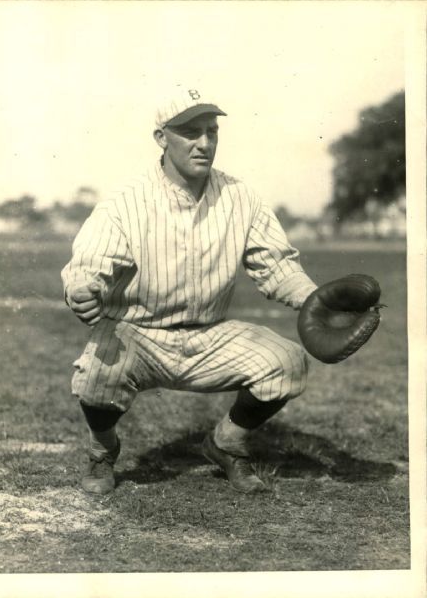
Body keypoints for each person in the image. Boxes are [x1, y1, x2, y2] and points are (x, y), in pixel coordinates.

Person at [61, 86, 318, 495]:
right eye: (190, 132)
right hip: (138, 333)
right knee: (96, 370)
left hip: (208, 334)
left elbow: (275, 265)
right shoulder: (125, 203)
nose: (205, 143)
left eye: (211, 131)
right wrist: (82, 288)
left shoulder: (241, 197)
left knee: (287, 362)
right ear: (161, 138)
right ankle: (102, 450)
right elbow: (90, 265)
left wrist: (313, 299)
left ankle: (226, 442)